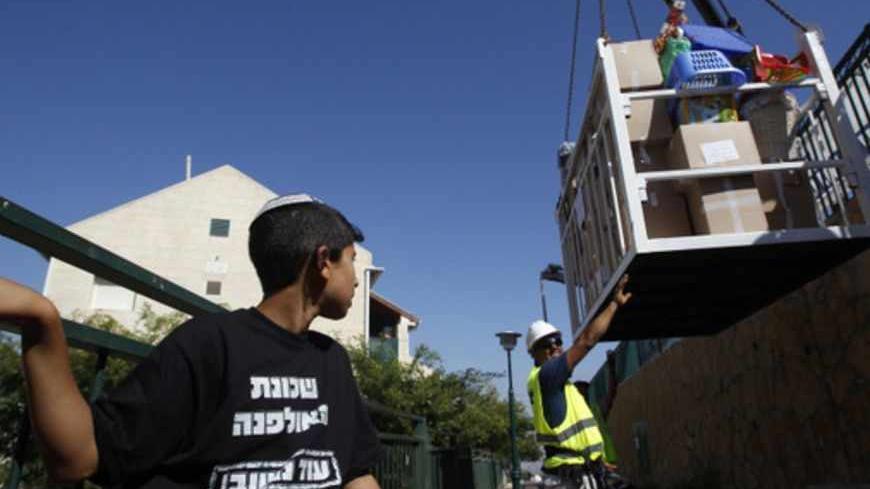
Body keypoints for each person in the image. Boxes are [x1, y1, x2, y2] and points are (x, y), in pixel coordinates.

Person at [0, 194, 383, 489]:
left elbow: (355, 474)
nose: (354, 279)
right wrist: (43, 323)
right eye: (351, 260)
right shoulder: (207, 344)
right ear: (323, 262)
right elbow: (80, 457)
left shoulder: (332, 359)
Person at [526, 275, 632, 489]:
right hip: (571, 476)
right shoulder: (546, 375)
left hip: (587, 470)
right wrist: (613, 304)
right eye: (549, 343)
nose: (557, 346)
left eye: (559, 341)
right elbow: (586, 341)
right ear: (535, 353)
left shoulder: (561, 385)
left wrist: (597, 461)